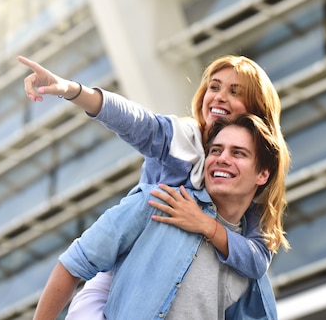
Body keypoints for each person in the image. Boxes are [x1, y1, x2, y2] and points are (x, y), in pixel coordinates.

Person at [18, 54, 290, 315]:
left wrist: (206, 225)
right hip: (119, 264)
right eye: (214, 87)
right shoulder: (183, 139)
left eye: (235, 92)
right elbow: (136, 121)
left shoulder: (249, 207)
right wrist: (70, 89)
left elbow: (256, 259)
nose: (219, 96)